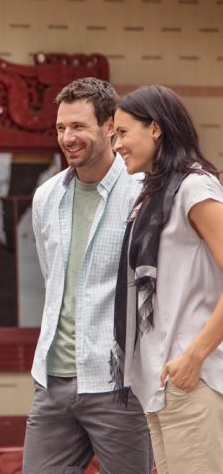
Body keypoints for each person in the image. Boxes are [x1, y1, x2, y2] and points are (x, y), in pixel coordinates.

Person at [23, 77, 152, 473]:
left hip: (119, 385)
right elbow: (55, 280)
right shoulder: (47, 196)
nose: (67, 137)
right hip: (53, 380)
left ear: (109, 126)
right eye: (61, 127)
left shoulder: (141, 193)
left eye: (78, 126)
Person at [112, 85, 223, 474]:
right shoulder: (151, 197)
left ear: (155, 129)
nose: (116, 146)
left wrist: (194, 357)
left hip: (192, 379)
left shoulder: (195, 187)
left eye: (123, 133)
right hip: (161, 385)